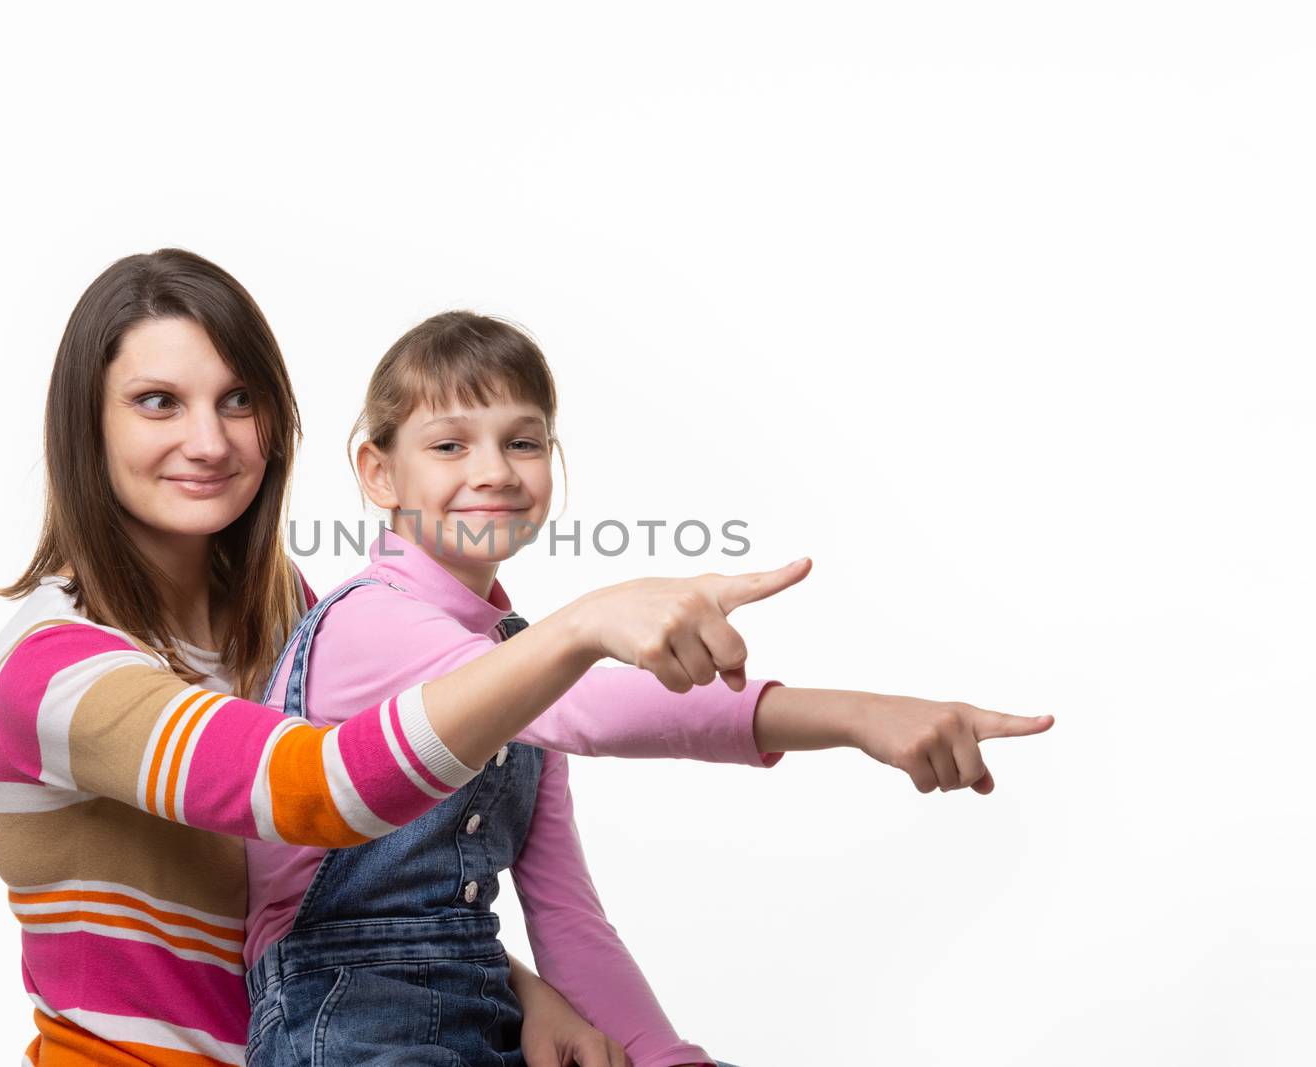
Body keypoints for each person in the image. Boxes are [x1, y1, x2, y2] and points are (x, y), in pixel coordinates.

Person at [0, 249, 814, 1067]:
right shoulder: (51, 668)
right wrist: (577, 630)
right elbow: (316, 791)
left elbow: (349, 904)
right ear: (88, 425)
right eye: (158, 402)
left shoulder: (293, 620)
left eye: (238, 400)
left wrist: (522, 993)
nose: (209, 440)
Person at [242, 311, 1057, 1067]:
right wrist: (853, 716)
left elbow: (565, 912)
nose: (493, 469)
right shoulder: (370, 624)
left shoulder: (516, 650)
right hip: (344, 1022)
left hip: (482, 1013)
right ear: (378, 473)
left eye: (522, 442)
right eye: (450, 445)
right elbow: (591, 709)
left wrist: (665, 1055)